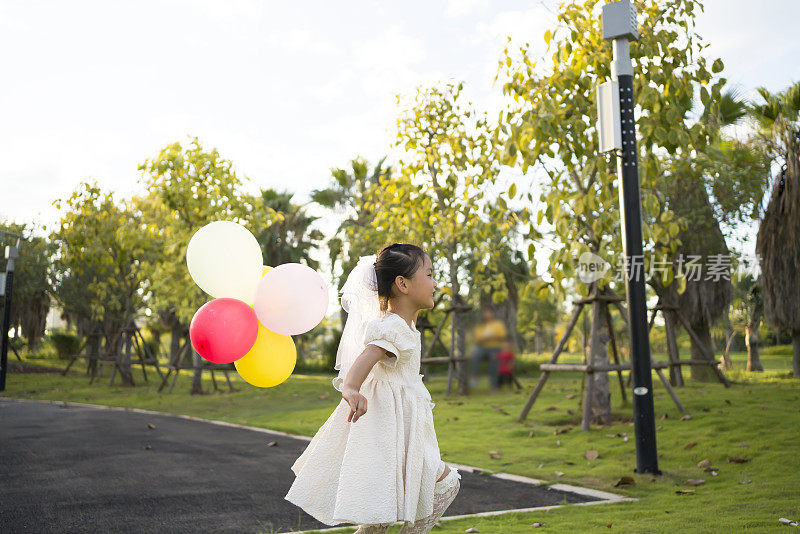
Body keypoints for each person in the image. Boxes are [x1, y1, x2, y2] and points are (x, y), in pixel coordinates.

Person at [285, 243, 461, 533]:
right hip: (389, 428)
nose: (434, 283)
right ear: (403, 284)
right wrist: (351, 388)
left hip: (404, 425)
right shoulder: (391, 326)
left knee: (381, 514)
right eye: (429, 275)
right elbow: (366, 358)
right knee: (445, 483)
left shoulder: (405, 324)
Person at [469, 307, 508, 391]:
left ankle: (494, 387)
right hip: (483, 348)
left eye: (488, 312)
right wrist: (485, 338)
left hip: (495, 348)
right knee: (475, 355)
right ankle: (474, 376)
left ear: (492, 313)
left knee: (493, 363)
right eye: (485, 313)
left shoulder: (498, 324)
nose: (487, 315)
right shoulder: (480, 327)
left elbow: (503, 336)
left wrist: (492, 336)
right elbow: (477, 340)